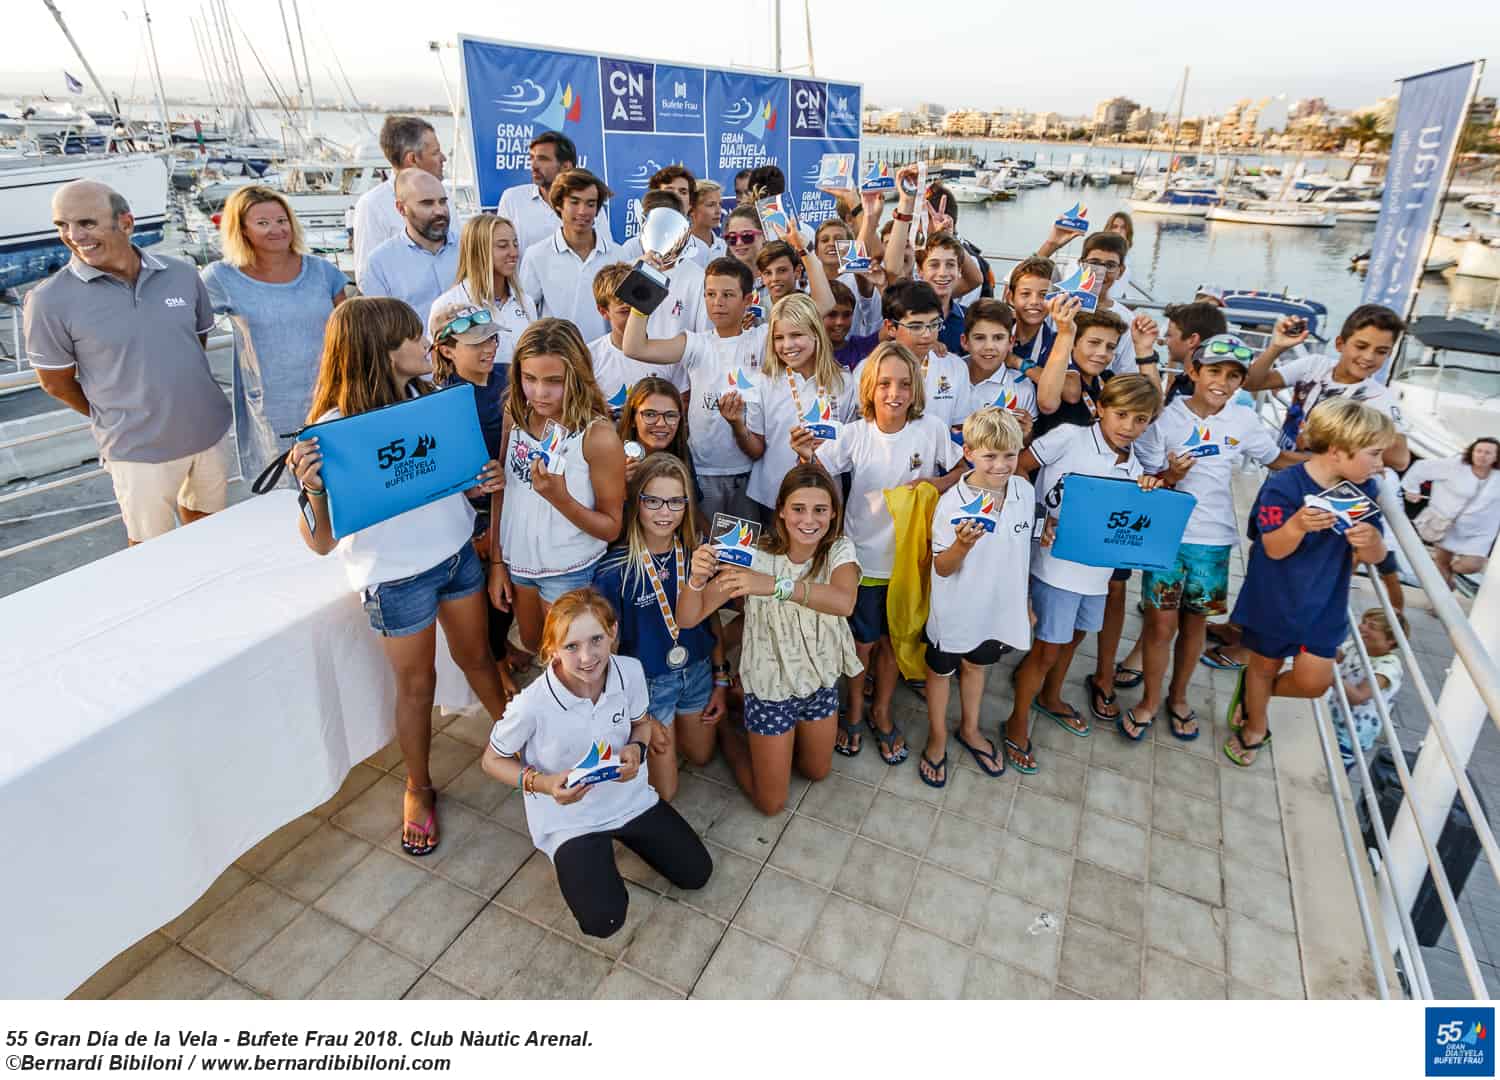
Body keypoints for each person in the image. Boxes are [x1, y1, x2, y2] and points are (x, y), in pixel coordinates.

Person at [288, 297, 510, 857]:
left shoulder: (431, 400)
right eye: (413, 337)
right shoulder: (329, 432)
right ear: (383, 350)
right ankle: (418, 785)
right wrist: (313, 487)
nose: (424, 344)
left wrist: (476, 482)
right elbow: (320, 541)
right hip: (394, 579)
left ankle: (520, 742)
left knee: (480, 658)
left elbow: (444, 483)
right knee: (417, 687)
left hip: (456, 554)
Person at [480, 589, 711, 938]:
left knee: (698, 873)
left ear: (613, 632)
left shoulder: (629, 671)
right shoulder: (531, 704)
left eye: (596, 640)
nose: (587, 657)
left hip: (629, 800)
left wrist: (637, 748)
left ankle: (615, 845)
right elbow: (491, 760)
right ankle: (586, 856)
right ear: (552, 650)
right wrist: (543, 784)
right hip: (570, 820)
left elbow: (641, 724)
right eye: (571, 646)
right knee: (603, 921)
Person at [27, 180, 231, 544]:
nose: (73, 235)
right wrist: (117, 413)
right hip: (136, 452)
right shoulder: (48, 300)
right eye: (62, 225)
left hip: (208, 433)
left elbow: (193, 343)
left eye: (87, 223)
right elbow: (55, 382)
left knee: (211, 536)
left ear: (126, 223)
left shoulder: (182, 274)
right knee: (150, 555)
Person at [1120, 335, 1300, 740]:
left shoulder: (1245, 421)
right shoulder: (1165, 419)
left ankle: (1178, 698)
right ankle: (1149, 699)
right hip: (1166, 539)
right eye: (1214, 371)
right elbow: (1146, 480)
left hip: (1214, 542)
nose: (1223, 382)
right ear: (1193, 372)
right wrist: (1170, 477)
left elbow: (1276, 460)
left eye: (1234, 376)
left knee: (1195, 625)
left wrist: (1327, 461)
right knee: (1159, 627)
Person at [808, 342, 963, 766]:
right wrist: (804, 451)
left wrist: (932, 486)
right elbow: (817, 470)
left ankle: (881, 708)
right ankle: (855, 707)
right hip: (863, 559)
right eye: (884, 384)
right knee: (862, 643)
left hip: (909, 561)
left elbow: (963, 466)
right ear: (869, 389)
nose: (894, 393)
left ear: (916, 390)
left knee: (895, 641)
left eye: (904, 384)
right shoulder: (854, 433)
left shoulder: (931, 429)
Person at [677, 465, 862, 815]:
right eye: (798, 508)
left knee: (816, 771)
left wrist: (774, 586)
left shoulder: (839, 549)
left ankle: (742, 707)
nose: (809, 520)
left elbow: (844, 601)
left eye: (820, 510)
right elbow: (689, 617)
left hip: (819, 680)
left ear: (834, 513)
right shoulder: (753, 552)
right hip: (770, 686)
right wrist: (697, 579)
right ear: (780, 509)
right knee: (771, 804)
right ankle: (727, 734)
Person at [1224, 398, 1394, 768]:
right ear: (1337, 450)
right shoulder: (1284, 487)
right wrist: (1297, 525)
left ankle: (1255, 696)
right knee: (1265, 665)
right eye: (1374, 453)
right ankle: (1256, 724)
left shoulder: (1367, 490)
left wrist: (1373, 543)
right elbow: (1272, 547)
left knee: (1313, 682)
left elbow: (1377, 557)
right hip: (1274, 598)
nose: (1381, 465)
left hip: (1326, 604)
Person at [1010, 375, 1162, 771]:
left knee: (1073, 641)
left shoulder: (1136, 467)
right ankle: (1016, 721)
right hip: (1055, 569)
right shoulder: (1068, 438)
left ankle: (1051, 697)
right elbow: (1019, 469)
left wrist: (1148, 490)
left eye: (1141, 419)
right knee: (1045, 650)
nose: (1129, 426)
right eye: (1122, 414)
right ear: (1100, 408)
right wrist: (1039, 518)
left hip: (1096, 575)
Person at [1243, 305, 1413, 609]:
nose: (1369, 357)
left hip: (1323, 492)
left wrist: (1359, 438)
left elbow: (1400, 459)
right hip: (1282, 479)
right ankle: (1241, 628)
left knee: (1298, 564)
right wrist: (1277, 347)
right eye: (1361, 346)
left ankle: (1258, 638)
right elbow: (1253, 382)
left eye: (1381, 351)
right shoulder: (1315, 366)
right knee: (1263, 550)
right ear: (1340, 344)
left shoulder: (1380, 398)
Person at [491, 318, 627, 661]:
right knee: (537, 647)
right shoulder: (515, 414)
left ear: (577, 377)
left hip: (570, 569)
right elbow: (502, 491)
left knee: (574, 663)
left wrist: (560, 498)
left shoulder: (598, 436)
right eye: (529, 378)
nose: (539, 392)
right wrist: (497, 561)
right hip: (518, 564)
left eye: (554, 381)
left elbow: (612, 526)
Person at [592, 453, 727, 799]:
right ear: (636, 502)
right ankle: (661, 726)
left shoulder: (695, 554)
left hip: (696, 670)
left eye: (675, 502)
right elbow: (608, 654)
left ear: (686, 504)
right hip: (650, 686)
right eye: (653, 501)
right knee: (664, 793)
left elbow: (712, 620)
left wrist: (720, 678)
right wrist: (640, 717)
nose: (665, 512)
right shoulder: (614, 571)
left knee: (701, 756)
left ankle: (692, 724)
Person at [201, 185, 347, 483]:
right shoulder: (221, 277)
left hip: (331, 397)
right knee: (286, 495)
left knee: (340, 482)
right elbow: (187, 324)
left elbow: (352, 331)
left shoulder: (322, 271)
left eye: (281, 220)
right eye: (263, 223)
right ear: (241, 230)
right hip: (271, 407)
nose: (276, 230)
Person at [921, 407, 1035, 784]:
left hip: (996, 612)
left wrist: (1026, 603)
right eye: (990, 455)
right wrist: (962, 546)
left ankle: (970, 729)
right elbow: (942, 567)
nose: (1001, 465)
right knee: (941, 672)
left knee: (977, 667)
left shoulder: (1024, 491)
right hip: (954, 612)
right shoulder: (952, 504)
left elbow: (1023, 553)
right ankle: (937, 737)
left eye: (1010, 455)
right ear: (968, 452)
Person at [621, 256, 766, 522]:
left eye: (728, 294)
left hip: (750, 472)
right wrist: (643, 289)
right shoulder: (697, 343)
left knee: (745, 557)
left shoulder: (761, 338)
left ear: (747, 300)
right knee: (705, 553)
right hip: (702, 472)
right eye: (710, 294)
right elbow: (634, 347)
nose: (717, 302)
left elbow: (817, 313)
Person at [430, 300, 516, 691]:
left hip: (517, 499)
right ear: (446, 350)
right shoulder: (442, 401)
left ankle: (503, 650)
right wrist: (472, 493)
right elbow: (439, 471)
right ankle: (495, 662)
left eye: (492, 338)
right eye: (476, 343)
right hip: (477, 515)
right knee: (488, 599)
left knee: (510, 590)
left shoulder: (509, 376)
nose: (489, 348)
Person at [727, 293, 854, 523]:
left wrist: (826, 447)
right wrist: (737, 423)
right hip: (772, 499)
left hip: (824, 500)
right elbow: (756, 449)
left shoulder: (844, 382)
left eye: (796, 335)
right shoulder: (765, 382)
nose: (787, 346)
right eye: (779, 338)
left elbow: (851, 446)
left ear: (816, 334)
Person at [430, 213, 535, 386]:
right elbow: (439, 370)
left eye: (515, 244)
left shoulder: (526, 302)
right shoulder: (448, 304)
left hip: (519, 402)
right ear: (479, 251)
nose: (514, 253)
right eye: (503, 246)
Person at [519, 169, 618, 339]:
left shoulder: (617, 255)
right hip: (556, 358)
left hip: (604, 361)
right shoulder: (536, 256)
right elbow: (524, 315)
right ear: (559, 205)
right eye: (574, 202)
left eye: (591, 204)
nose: (582, 211)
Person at [863, 279, 968, 429]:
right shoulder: (869, 368)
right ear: (891, 327)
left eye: (934, 324)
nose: (927, 334)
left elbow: (959, 427)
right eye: (916, 326)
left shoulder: (956, 367)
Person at [352, 116, 445, 282]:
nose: (443, 158)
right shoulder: (373, 206)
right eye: (436, 152)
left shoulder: (445, 196)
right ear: (413, 159)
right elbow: (367, 279)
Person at [587, 262, 687, 415]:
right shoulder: (590, 356)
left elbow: (682, 404)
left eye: (638, 309)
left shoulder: (667, 351)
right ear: (604, 311)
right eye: (625, 311)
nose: (634, 318)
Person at [360, 169, 458, 321]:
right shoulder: (379, 264)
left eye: (443, 201)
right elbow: (380, 329)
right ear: (401, 208)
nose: (440, 211)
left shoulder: (472, 248)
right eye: (427, 203)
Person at [1402, 437, 1500, 587]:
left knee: (1472, 565)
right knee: (1442, 563)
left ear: (1496, 456)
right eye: (1478, 451)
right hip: (1446, 523)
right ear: (1472, 452)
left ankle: (1448, 572)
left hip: (1480, 532)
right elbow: (1421, 468)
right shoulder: (1454, 465)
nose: (1482, 455)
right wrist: (1412, 489)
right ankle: (1440, 602)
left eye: (1488, 453)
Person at [612, 190, 709, 339]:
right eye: (655, 226)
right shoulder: (624, 271)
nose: (662, 233)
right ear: (643, 226)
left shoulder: (698, 278)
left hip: (678, 361)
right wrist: (637, 274)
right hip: (629, 360)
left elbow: (703, 335)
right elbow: (612, 323)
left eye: (669, 225)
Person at [496, 131, 611, 257]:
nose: (533, 165)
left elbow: (606, 256)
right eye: (532, 158)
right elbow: (498, 253)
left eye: (542, 159)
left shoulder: (590, 207)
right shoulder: (512, 199)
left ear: (566, 166)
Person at [1328, 607, 1408, 771]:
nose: (1361, 627)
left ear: (1391, 640)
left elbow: (1358, 696)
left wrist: (1329, 672)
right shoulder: (1355, 646)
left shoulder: (1388, 667)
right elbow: (1332, 655)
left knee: (1333, 771)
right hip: (1334, 716)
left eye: (1371, 627)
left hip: (1352, 733)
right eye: (1363, 622)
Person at [958, 299, 1037, 442]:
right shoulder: (947, 374)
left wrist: (1025, 434)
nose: (989, 346)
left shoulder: (1022, 386)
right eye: (980, 338)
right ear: (965, 341)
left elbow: (1024, 444)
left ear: (1011, 342)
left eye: (998, 338)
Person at [617, 377, 693, 491]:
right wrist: (620, 487)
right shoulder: (612, 456)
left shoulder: (682, 452)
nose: (661, 423)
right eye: (650, 414)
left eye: (670, 415)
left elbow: (693, 507)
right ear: (632, 418)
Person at [1007, 257, 1059, 371]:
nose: (1034, 301)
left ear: (1055, 299)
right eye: (1025, 294)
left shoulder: (1057, 342)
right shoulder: (995, 331)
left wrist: (1015, 361)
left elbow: (1072, 387)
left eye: (1044, 295)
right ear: (1010, 298)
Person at [686, 178, 727, 267]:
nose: (718, 211)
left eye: (720, 204)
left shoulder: (724, 246)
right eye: (711, 205)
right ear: (692, 209)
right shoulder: (681, 248)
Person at [722, 205, 765, 271]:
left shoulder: (779, 274)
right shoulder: (722, 277)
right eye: (732, 237)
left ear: (764, 235)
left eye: (746, 236)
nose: (739, 243)